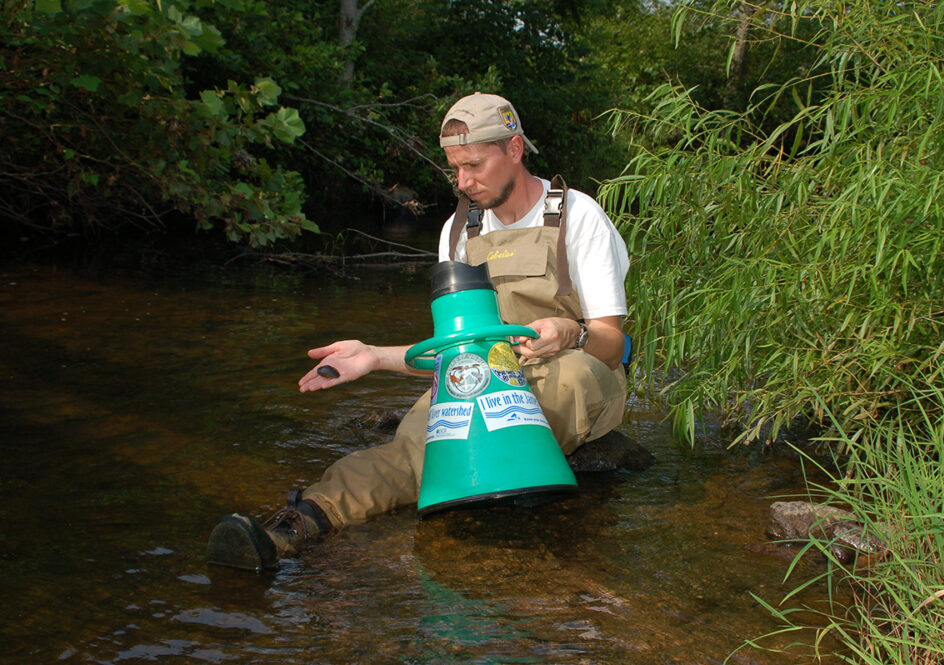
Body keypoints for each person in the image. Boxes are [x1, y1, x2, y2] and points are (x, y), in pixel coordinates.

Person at [206, 92, 630, 572]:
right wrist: (373, 356)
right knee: (409, 452)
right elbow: (453, 351)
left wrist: (569, 332)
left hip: (576, 368)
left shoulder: (579, 216)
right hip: (483, 373)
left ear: (514, 149)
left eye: (473, 166)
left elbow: (612, 345)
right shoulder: (456, 232)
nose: (463, 182)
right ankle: (289, 530)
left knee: (501, 429)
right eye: (455, 169)